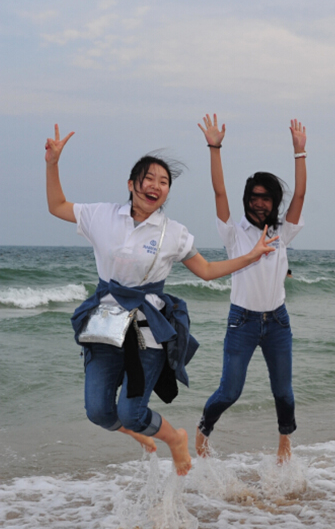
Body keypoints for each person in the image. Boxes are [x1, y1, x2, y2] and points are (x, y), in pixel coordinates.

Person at [45, 125, 277, 476]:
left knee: (132, 412)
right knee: (99, 412)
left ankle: (175, 439)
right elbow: (57, 206)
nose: (156, 186)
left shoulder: (174, 233)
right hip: (105, 325)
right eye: (149, 178)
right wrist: (53, 163)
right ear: (131, 184)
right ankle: (137, 432)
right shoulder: (101, 215)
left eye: (163, 181)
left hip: (147, 332)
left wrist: (251, 256)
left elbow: (207, 270)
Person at [195, 114, 307, 462]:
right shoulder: (234, 233)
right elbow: (219, 191)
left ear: (274, 202)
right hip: (242, 321)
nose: (260, 203)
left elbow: (300, 194)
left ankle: (285, 442)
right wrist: (214, 148)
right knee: (230, 391)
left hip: (278, 322)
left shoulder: (282, 233)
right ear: (247, 200)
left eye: (266, 198)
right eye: (255, 197)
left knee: (283, 392)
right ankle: (203, 429)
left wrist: (299, 153)